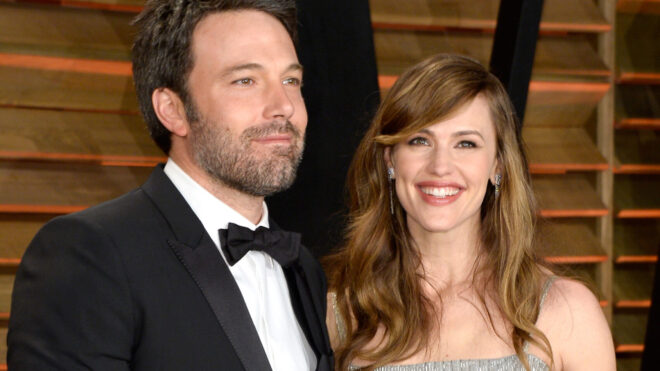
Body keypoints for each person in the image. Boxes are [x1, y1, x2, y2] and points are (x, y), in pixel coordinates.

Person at [8, 0, 332, 370]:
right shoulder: (89, 254)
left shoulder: (304, 268)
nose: (284, 106)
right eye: (245, 80)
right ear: (172, 110)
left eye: (291, 80)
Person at [324, 54, 615, 370]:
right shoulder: (341, 315)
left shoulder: (569, 312)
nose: (440, 167)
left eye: (465, 144)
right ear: (390, 159)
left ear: (498, 164)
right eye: (420, 140)